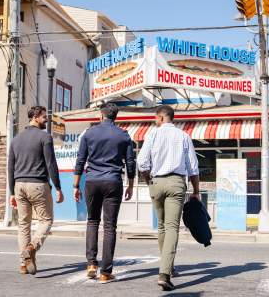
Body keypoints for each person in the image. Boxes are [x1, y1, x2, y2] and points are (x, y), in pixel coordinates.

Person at [137, 105, 200, 291]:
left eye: (155, 118)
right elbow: (193, 167)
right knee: (172, 227)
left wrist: (149, 181)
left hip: (156, 182)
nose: (154, 121)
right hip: (175, 183)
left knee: (163, 226)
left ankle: (169, 267)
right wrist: (196, 191)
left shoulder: (152, 135)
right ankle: (164, 273)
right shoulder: (183, 136)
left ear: (161, 118)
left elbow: (142, 162)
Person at [73, 102, 135, 284]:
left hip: (92, 181)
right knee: (110, 226)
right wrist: (130, 184)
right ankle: (105, 272)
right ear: (115, 117)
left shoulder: (89, 133)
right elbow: (130, 162)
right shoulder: (123, 135)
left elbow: (80, 160)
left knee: (92, 221)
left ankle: (91, 264)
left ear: (101, 115)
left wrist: (76, 185)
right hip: (113, 181)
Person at [8, 106, 64, 275]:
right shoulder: (44, 137)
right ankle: (32, 247)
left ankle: (24, 264)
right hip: (38, 184)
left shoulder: (16, 139)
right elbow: (51, 164)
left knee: (23, 225)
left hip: (19, 185)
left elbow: (10, 167)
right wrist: (58, 187)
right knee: (46, 220)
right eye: (43, 116)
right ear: (35, 117)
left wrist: (12, 192)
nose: (46, 119)